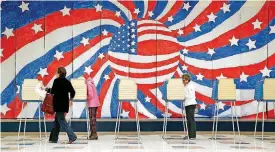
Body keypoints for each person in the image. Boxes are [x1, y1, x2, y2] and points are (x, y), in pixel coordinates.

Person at [46, 67, 77, 144]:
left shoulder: (56, 81)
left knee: (62, 121)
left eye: (56, 72)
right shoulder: (67, 82)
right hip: (64, 105)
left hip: (58, 105)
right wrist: (70, 99)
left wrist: (46, 89)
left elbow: (53, 91)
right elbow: (73, 92)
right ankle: (53, 138)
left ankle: (72, 136)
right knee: (57, 121)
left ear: (59, 73)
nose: (55, 74)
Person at [182, 74, 197, 140]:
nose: (183, 81)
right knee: (188, 120)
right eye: (183, 80)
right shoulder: (186, 85)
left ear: (187, 79)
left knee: (191, 120)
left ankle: (193, 136)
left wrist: (183, 96)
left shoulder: (190, 86)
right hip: (187, 104)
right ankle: (189, 135)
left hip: (191, 104)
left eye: (184, 80)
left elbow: (191, 95)